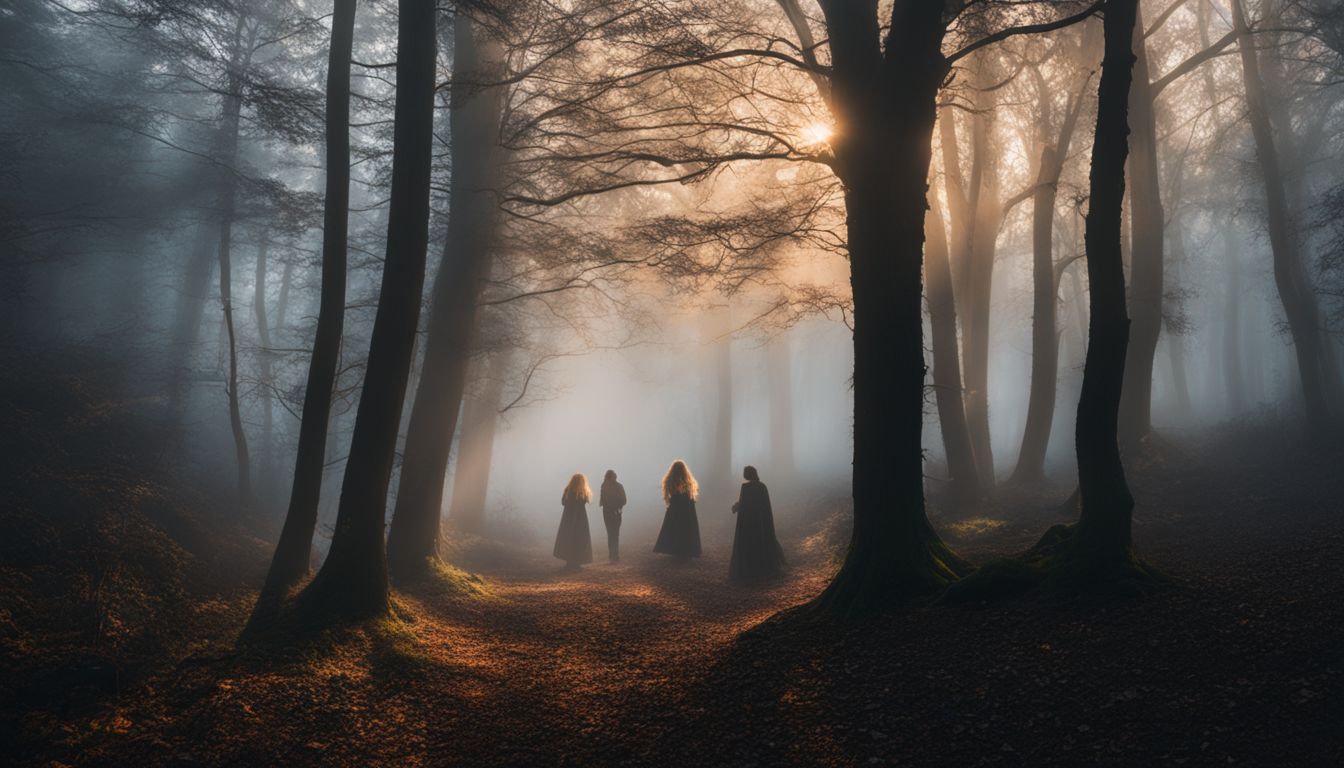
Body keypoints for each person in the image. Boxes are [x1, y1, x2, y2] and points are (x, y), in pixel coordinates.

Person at [728, 465, 787, 582]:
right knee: (760, 542)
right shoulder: (762, 486)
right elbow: (762, 505)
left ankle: (750, 570)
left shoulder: (746, 488)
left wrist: (736, 507)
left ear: (747, 474)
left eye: (745, 472)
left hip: (748, 523)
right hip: (760, 522)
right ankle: (763, 568)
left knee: (749, 544)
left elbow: (745, 503)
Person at [653, 460, 702, 559]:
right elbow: (691, 495)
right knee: (687, 528)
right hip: (687, 507)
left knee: (675, 527)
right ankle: (688, 549)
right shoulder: (688, 481)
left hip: (675, 507)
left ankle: (675, 549)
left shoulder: (670, 480)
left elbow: (669, 494)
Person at [554, 473, 594, 571]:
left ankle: (570, 563)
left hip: (568, 519)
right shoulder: (580, 493)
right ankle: (575, 563)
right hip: (580, 520)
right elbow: (586, 501)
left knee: (569, 539)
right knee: (578, 540)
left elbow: (563, 502)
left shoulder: (568, 491)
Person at [599, 470, 627, 562]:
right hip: (616, 512)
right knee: (615, 533)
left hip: (607, 513)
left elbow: (602, 502)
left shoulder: (604, 486)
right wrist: (617, 505)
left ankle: (612, 555)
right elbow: (624, 500)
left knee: (610, 533)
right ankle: (615, 555)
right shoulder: (619, 486)